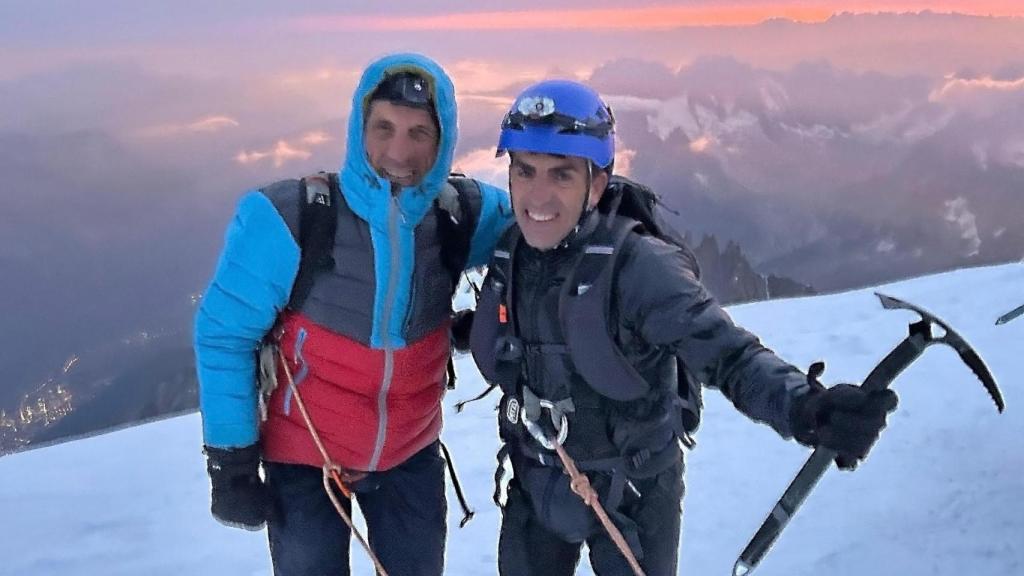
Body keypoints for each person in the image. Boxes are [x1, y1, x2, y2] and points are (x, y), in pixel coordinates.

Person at [469, 80, 898, 576]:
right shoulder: (510, 255)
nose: (537, 195)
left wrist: (807, 408)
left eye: (561, 175)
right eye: (524, 171)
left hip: (632, 495)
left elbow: (728, 354)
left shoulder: (638, 268)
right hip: (536, 483)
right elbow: (504, 336)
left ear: (597, 184)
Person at [193, 53, 511, 576]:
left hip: (411, 453)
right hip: (305, 460)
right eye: (383, 127)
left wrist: (607, 204)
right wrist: (231, 460)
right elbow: (224, 333)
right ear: (358, 130)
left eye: (420, 132)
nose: (399, 151)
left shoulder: (460, 214)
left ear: (443, 141)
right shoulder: (288, 217)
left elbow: (538, 223)